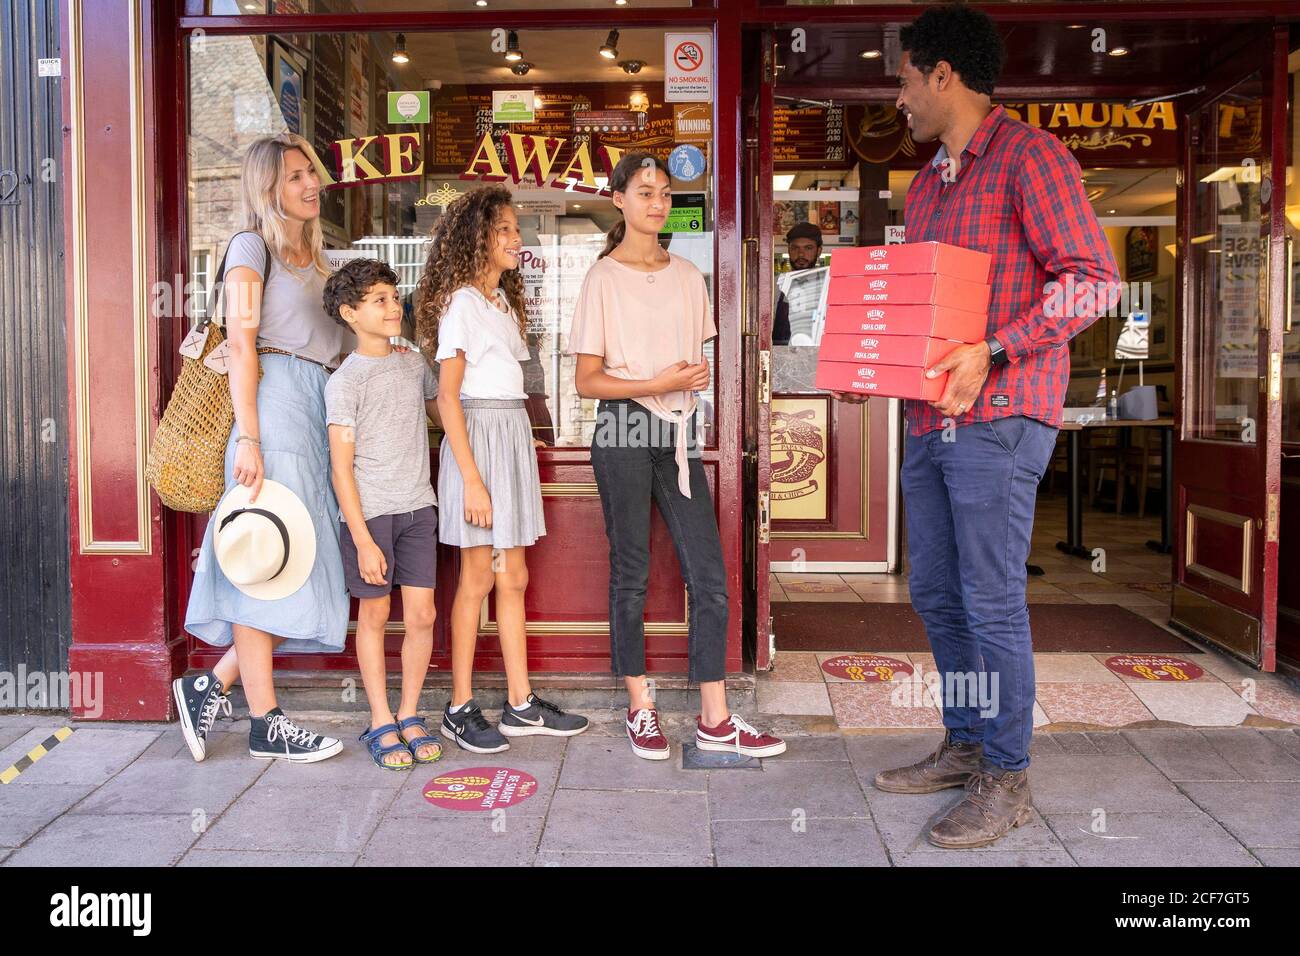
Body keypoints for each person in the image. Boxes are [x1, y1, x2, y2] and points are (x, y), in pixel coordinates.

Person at [833, 5, 1120, 848]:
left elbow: (1094, 280)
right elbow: (923, 316)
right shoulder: (928, 184)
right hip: (930, 420)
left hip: (1000, 417)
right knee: (936, 592)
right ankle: (965, 743)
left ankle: (1007, 773)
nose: (899, 99)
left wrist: (996, 349)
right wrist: (871, 369)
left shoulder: (1031, 157)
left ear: (942, 75)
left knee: (990, 599)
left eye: (904, 79)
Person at [570, 152, 786, 761]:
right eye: (644, 192)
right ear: (619, 200)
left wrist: (682, 380)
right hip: (622, 428)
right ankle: (641, 704)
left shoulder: (690, 276)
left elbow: (696, 364)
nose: (658, 202)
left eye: (665, 191)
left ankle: (715, 718)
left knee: (709, 575)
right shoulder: (602, 278)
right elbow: (587, 381)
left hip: (680, 433)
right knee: (631, 571)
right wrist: (655, 381)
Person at [176, 132, 352, 763]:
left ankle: (211, 685)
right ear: (267, 187)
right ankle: (265, 721)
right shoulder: (251, 248)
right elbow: (245, 344)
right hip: (273, 407)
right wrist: (248, 435)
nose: (310, 184)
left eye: (311, 172)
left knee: (295, 557)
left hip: (315, 406)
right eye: (294, 176)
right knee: (266, 556)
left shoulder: (316, 254)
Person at [414, 185, 589, 753]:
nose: (517, 238)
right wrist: (471, 479)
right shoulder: (462, 303)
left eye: (517, 229)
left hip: (510, 434)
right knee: (478, 578)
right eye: (506, 229)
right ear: (478, 238)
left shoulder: (499, 303)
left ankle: (519, 703)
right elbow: (447, 397)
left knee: (513, 577)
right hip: (479, 441)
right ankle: (459, 706)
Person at [324, 258, 443, 770]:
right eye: (379, 300)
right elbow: (340, 469)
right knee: (374, 615)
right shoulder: (345, 382)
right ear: (351, 313)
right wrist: (363, 539)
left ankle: (410, 713)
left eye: (394, 298)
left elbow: (445, 410)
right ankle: (378, 719)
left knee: (422, 615)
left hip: (419, 508)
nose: (393, 307)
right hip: (371, 517)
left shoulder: (414, 363)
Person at [773, 221, 824, 345]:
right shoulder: (775, 286)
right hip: (780, 359)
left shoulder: (828, 285)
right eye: (795, 248)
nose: (801, 254)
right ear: (789, 250)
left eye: (808, 248)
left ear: (819, 251)